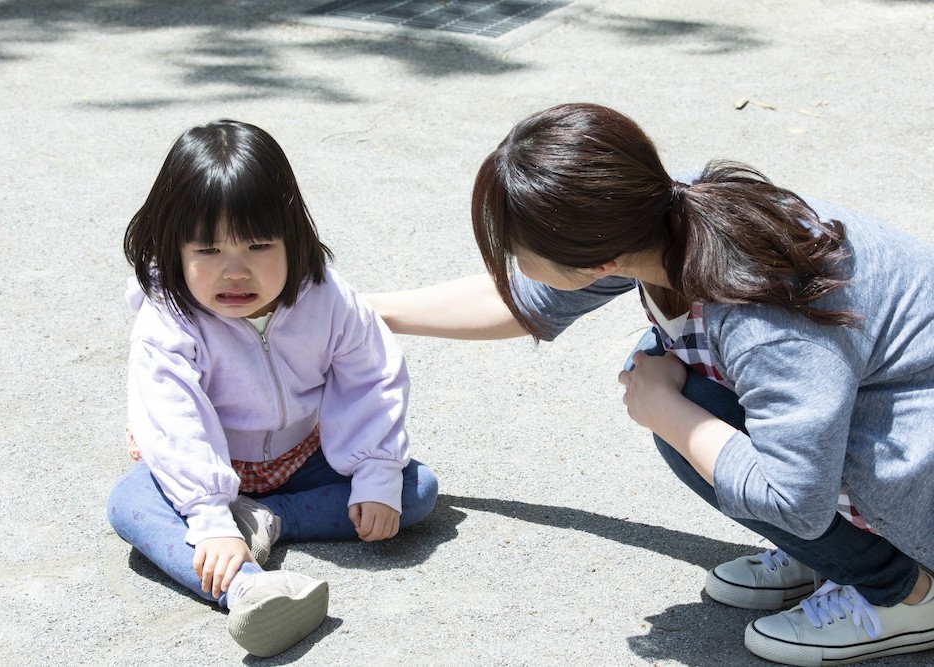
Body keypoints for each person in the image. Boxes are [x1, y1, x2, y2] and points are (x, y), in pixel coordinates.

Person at [367, 103, 934, 666]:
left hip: (915, 460)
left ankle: (905, 593)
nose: (511, 261)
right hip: (880, 413)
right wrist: (366, 312)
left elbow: (794, 499)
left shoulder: (762, 318)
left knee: (679, 398)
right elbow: (524, 301)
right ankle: (833, 557)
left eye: (516, 251)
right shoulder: (664, 211)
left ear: (598, 263)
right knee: (672, 375)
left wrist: (665, 410)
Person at [106, 120, 438, 658]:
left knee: (414, 489)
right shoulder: (168, 321)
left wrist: (376, 471)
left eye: (258, 245)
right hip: (207, 464)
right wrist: (210, 519)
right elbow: (175, 423)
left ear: (292, 237)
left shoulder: (326, 298)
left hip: (302, 456)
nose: (235, 272)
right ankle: (246, 588)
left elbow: (372, 378)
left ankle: (269, 520)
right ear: (174, 249)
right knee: (129, 504)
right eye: (208, 250)